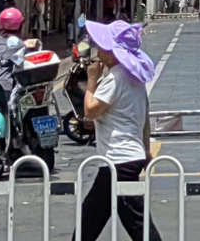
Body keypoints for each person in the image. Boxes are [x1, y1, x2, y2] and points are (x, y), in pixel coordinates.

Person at [76, 19, 163, 241]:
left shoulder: (116, 78)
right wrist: (145, 149)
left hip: (119, 160)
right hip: (126, 158)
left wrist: (92, 80)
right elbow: (143, 119)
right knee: (91, 219)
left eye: (102, 46)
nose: (98, 50)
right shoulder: (135, 77)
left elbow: (90, 110)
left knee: (137, 224)